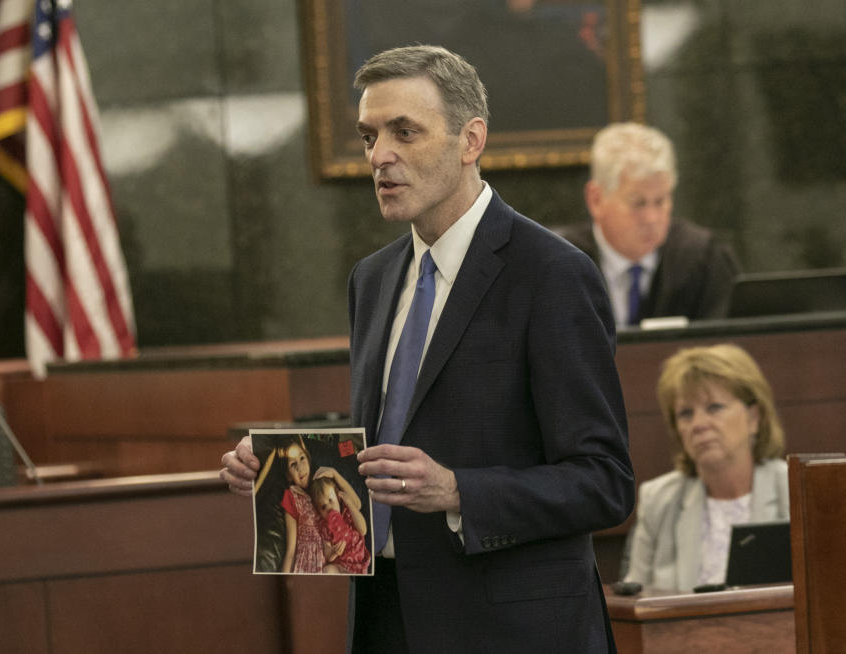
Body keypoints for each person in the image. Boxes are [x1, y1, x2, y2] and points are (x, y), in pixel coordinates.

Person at [221, 45, 634, 653]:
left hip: (513, 632)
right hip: (387, 620)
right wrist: (281, 469)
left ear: (471, 141)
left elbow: (604, 481)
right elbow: (390, 442)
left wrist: (460, 490)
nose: (379, 155)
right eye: (368, 136)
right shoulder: (373, 278)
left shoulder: (551, 274)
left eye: (404, 132)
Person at [622, 343, 788, 593]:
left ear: (754, 418)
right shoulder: (659, 499)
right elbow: (634, 599)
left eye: (714, 408)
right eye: (686, 413)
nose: (698, 424)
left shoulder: (794, 490)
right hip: (680, 632)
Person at [554, 122, 741, 327]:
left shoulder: (705, 260)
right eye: (638, 203)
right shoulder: (557, 265)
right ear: (596, 199)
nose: (652, 218)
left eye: (660, 201)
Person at [255, 436, 360, 574]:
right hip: (305, 565)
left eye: (302, 458)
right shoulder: (291, 497)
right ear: (288, 475)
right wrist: (283, 578)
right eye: (293, 464)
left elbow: (357, 505)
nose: (300, 467)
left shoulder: (325, 484)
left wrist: (335, 475)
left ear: (308, 458)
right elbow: (291, 550)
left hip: (332, 564)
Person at [309, 475, 371, 574]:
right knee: (327, 570)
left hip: (359, 564)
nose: (329, 507)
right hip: (340, 566)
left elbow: (363, 530)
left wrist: (350, 504)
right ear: (319, 512)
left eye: (330, 500)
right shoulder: (325, 527)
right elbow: (328, 555)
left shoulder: (348, 512)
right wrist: (334, 552)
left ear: (338, 497)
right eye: (323, 507)